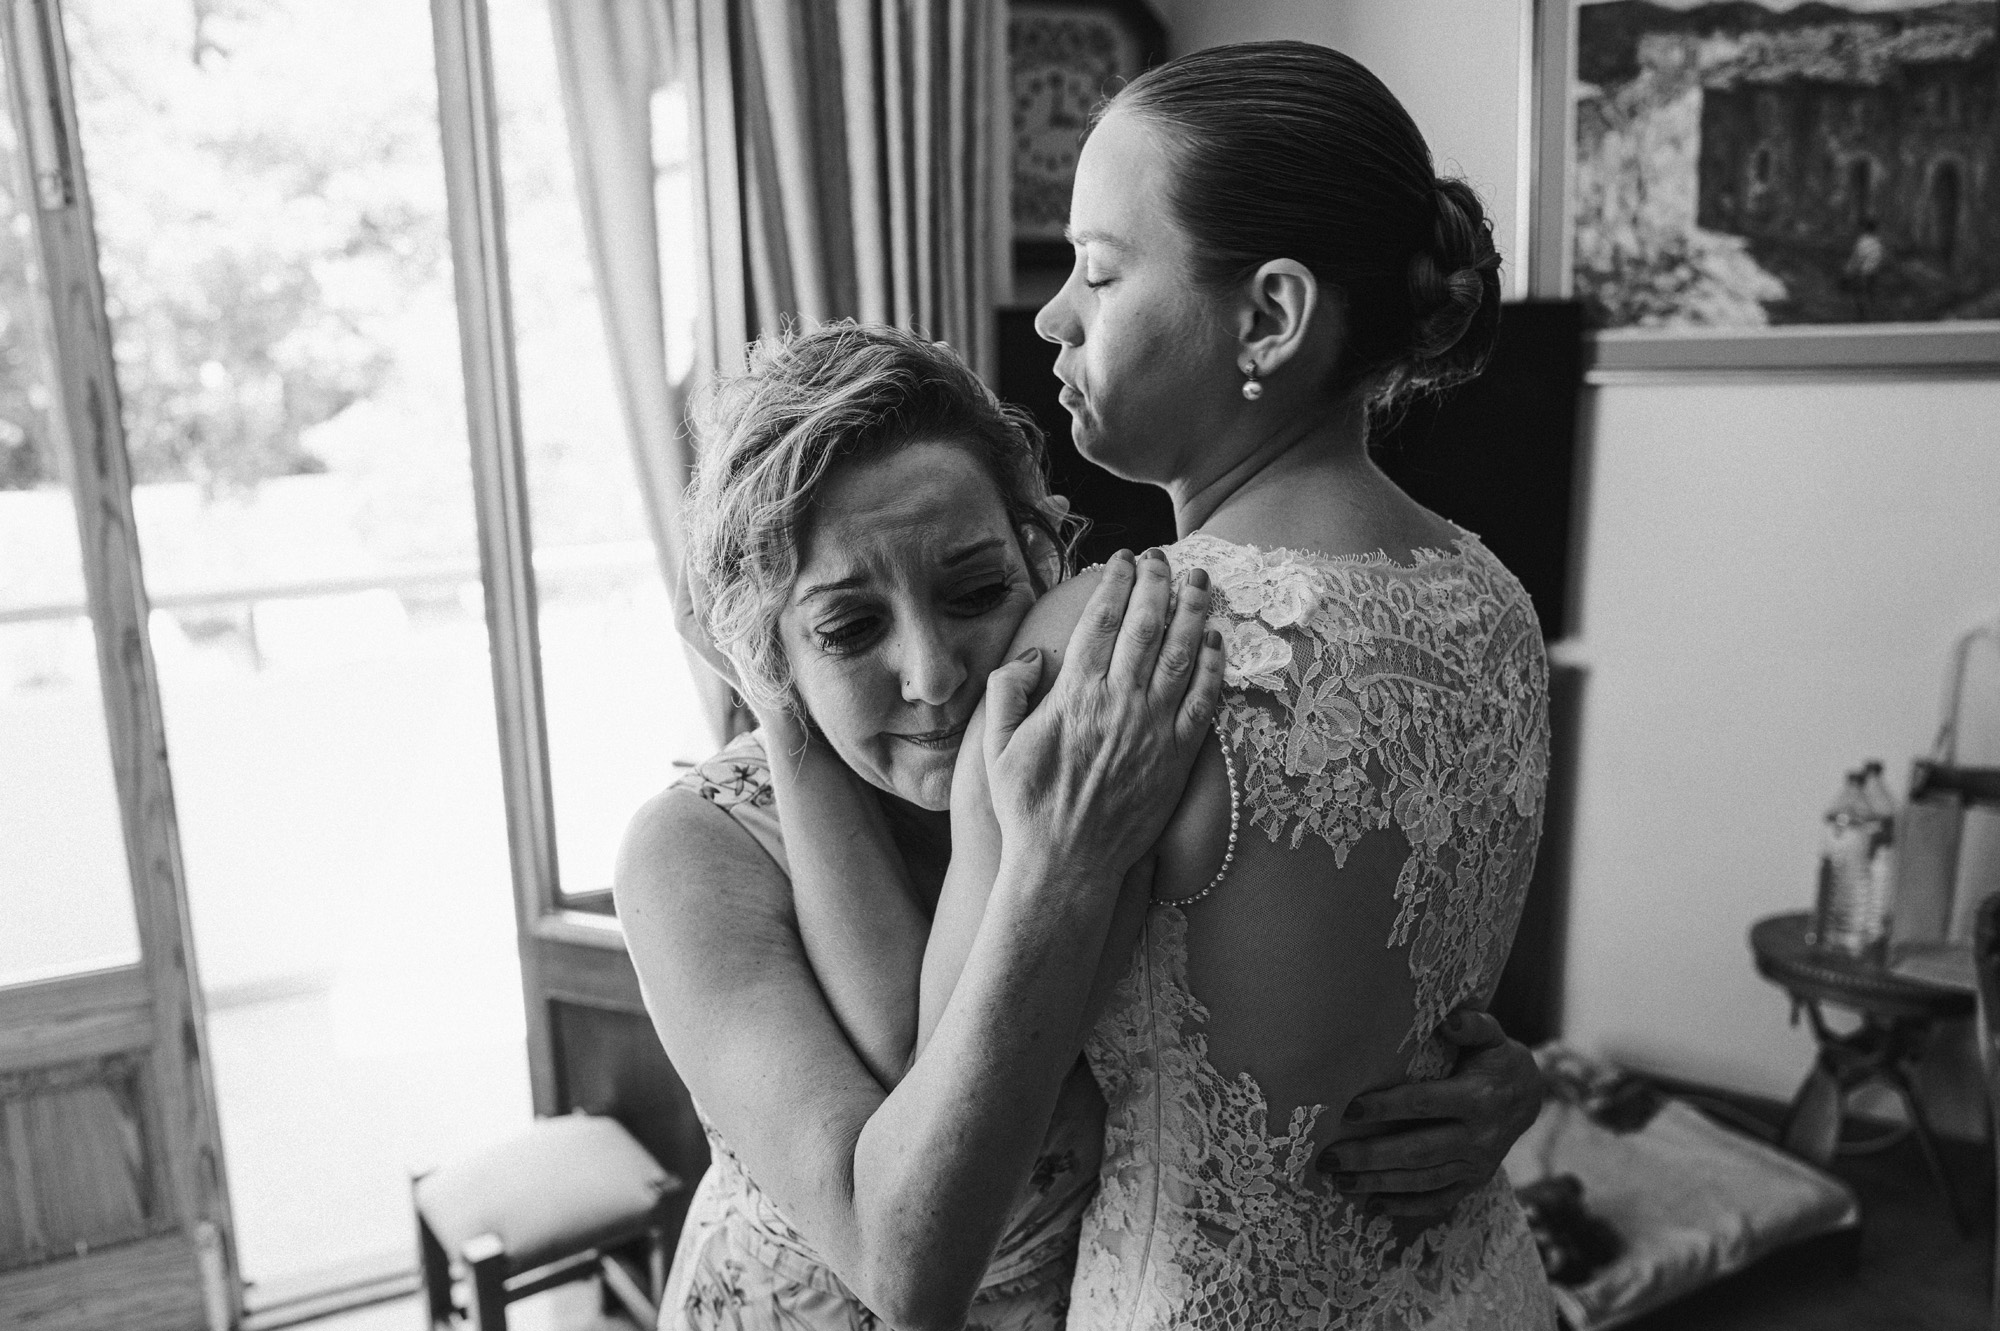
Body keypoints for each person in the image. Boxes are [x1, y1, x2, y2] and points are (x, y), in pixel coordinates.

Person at [617, 323, 1546, 1331]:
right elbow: (894, 1248)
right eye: (848, 628)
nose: (933, 675)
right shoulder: (692, 853)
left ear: (1042, 555)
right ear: (766, 651)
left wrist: (1481, 1076)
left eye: (975, 592)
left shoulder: (1119, 744)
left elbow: (1286, 1015)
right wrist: (1054, 869)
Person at [904, 41, 1559, 1325]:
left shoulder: (1110, 646)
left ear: (1267, 317)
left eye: (1098, 271)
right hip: (1477, 1287)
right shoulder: (1492, 599)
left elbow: (954, 1157)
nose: (1050, 316)